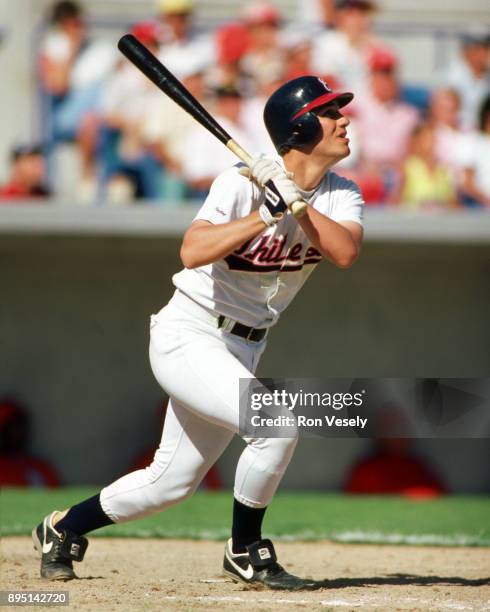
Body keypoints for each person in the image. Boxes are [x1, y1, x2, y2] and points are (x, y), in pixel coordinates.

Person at [32, 76, 364, 589]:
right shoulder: (239, 183)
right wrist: (265, 212)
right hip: (190, 333)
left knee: (168, 486)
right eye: (329, 113)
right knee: (275, 428)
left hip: (247, 345)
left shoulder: (342, 194)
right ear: (299, 127)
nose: (344, 120)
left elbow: (344, 252)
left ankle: (64, 527)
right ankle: (245, 549)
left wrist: (296, 200)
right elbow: (192, 251)